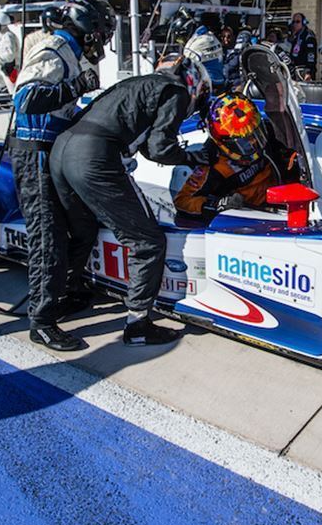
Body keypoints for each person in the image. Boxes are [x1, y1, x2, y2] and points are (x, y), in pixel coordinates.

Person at [51, 54, 211, 346]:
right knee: (148, 242)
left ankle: (66, 296)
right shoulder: (174, 90)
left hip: (62, 151)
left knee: (81, 231)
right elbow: (161, 147)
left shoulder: (138, 84)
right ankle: (138, 324)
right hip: (96, 157)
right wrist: (191, 156)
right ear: (193, 83)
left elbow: (147, 144)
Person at [11, 0, 115, 351]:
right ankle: (41, 321)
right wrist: (77, 87)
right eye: (102, 33)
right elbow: (24, 99)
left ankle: (69, 291)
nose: (102, 42)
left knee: (83, 225)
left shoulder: (71, 52)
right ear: (90, 28)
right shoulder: (54, 50)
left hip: (56, 152)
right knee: (48, 239)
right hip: (35, 155)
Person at [175, 92, 282, 223]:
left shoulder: (259, 128)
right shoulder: (214, 166)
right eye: (244, 141)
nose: (253, 142)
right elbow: (182, 201)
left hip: (278, 198)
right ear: (224, 144)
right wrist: (218, 204)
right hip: (255, 217)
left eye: (255, 134)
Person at [287, 12, 317, 80]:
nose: (295, 24)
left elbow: (311, 55)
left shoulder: (308, 36)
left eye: (297, 22)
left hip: (305, 70)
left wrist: (309, 71)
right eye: (293, 22)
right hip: (296, 69)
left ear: (303, 22)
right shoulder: (296, 35)